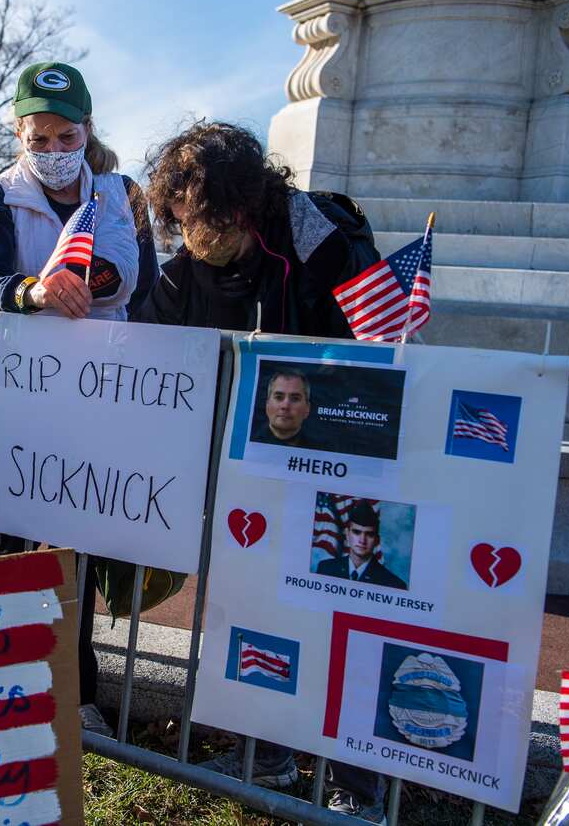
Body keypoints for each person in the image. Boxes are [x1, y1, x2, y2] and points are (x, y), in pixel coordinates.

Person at [134, 121, 391, 824]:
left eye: (198, 215)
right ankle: (267, 754)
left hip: (337, 461)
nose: (188, 233)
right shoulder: (192, 266)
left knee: (341, 614)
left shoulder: (324, 244)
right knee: (252, 608)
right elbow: (147, 340)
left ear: (239, 204)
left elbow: (377, 352)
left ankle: (355, 779)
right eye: (177, 218)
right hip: (250, 469)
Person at [0, 61, 158, 737]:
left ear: (86, 129)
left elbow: (148, 285)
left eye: (63, 135)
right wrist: (33, 292)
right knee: (14, 538)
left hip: (97, 391)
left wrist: (93, 285)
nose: (50, 151)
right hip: (13, 388)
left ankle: (75, 695)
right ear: (20, 134)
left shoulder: (124, 196)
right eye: (36, 138)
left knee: (76, 541)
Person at [315, 500, 407, 589]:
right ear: (347, 534)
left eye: (369, 534)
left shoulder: (393, 584)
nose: (362, 540)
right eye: (356, 532)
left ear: (376, 539)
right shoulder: (325, 569)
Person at [252, 368, 312, 447]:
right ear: (267, 404)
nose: (285, 406)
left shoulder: (322, 450)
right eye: (279, 397)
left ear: (307, 408)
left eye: (295, 399)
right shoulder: (246, 441)